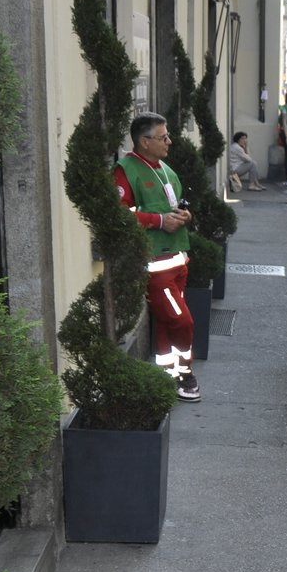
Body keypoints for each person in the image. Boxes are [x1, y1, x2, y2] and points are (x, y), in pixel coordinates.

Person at [115, 111, 201, 402]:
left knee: (168, 322)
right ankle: (186, 374)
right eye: (164, 137)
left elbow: (175, 205)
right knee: (183, 321)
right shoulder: (125, 170)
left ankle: (167, 377)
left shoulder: (164, 168)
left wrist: (185, 215)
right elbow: (119, 215)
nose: (170, 141)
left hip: (177, 259)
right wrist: (159, 221)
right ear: (144, 141)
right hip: (155, 265)